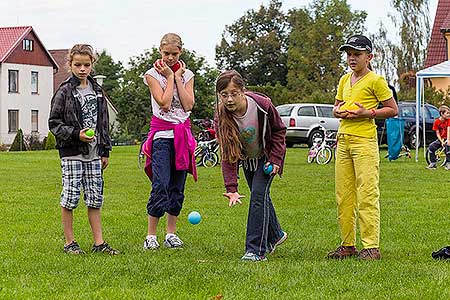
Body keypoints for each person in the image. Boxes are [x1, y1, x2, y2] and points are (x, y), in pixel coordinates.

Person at [328, 35, 398, 260]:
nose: (351, 58)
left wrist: (367, 113)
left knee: (367, 192)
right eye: (349, 54)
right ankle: (347, 245)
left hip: (364, 141)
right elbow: (336, 107)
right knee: (344, 194)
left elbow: (392, 109)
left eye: (356, 54)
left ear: (369, 57)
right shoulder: (343, 80)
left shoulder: (376, 80)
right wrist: (337, 112)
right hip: (343, 139)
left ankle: (371, 247)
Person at [48, 44, 118, 255]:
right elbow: (54, 123)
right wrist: (76, 134)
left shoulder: (97, 91)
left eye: (86, 65)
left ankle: (99, 243)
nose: (82, 69)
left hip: (95, 154)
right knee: (70, 197)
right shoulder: (64, 92)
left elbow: (103, 122)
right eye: (77, 65)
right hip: (72, 153)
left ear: (92, 65)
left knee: (95, 198)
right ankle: (70, 242)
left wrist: (105, 150)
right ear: (69, 65)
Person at [214, 70, 287, 262]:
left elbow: (279, 130)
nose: (229, 99)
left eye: (234, 93)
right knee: (261, 196)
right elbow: (228, 154)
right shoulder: (221, 118)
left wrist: (276, 160)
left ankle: (255, 251)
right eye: (224, 95)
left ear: (243, 91)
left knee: (257, 196)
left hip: (267, 157)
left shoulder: (262, 106)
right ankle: (277, 234)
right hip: (247, 160)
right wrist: (231, 188)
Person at [142, 33, 196, 250]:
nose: (170, 58)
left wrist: (180, 78)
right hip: (162, 138)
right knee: (161, 184)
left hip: (182, 137)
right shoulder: (152, 75)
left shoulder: (188, 74)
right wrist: (171, 77)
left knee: (177, 186)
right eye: (166, 54)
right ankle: (151, 236)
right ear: (160, 52)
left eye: (174, 54)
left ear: (180, 52)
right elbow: (164, 103)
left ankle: (171, 233)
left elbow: (188, 104)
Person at [425, 105, 450, 170]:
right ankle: (433, 164)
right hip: (441, 139)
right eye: (447, 113)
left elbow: (448, 130)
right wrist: (441, 141)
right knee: (431, 147)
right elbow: (437, 133)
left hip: (448, 137)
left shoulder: (448, 120)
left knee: (448, 146)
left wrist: (448, 140)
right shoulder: (436, 122)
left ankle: (448, 163)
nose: (448, 114)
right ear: (442, 113)